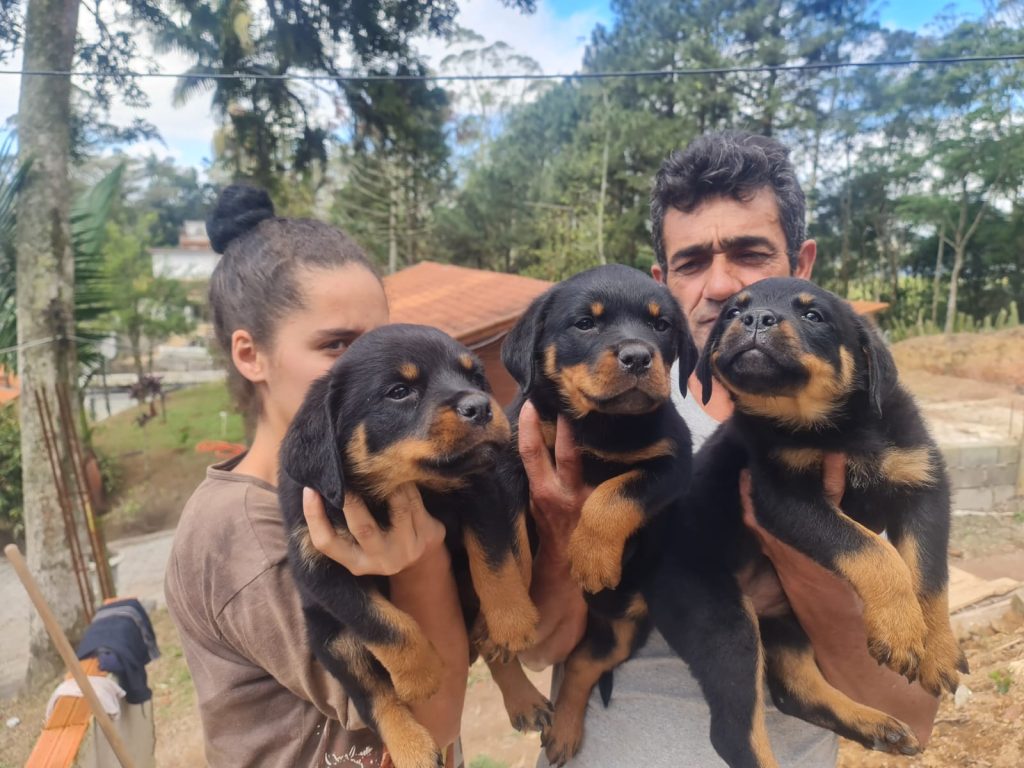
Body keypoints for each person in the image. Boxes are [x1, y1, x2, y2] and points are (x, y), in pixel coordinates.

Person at [521, 131, 941, 766]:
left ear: (801, 264)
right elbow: (537, 649)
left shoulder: (847, 424)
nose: (720, 286)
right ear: (662, 283)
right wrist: (560, 540)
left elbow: (912, 712)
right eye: (691, 263)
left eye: (750, 254)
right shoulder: (600, 415)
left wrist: (803, 563)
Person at [164, 185, 468, 768]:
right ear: (250, 355)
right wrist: (425, 564)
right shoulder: (248, 538)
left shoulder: (366, 481)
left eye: (379, 340)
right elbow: (436, 717)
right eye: (337, 345)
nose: (373, 368)